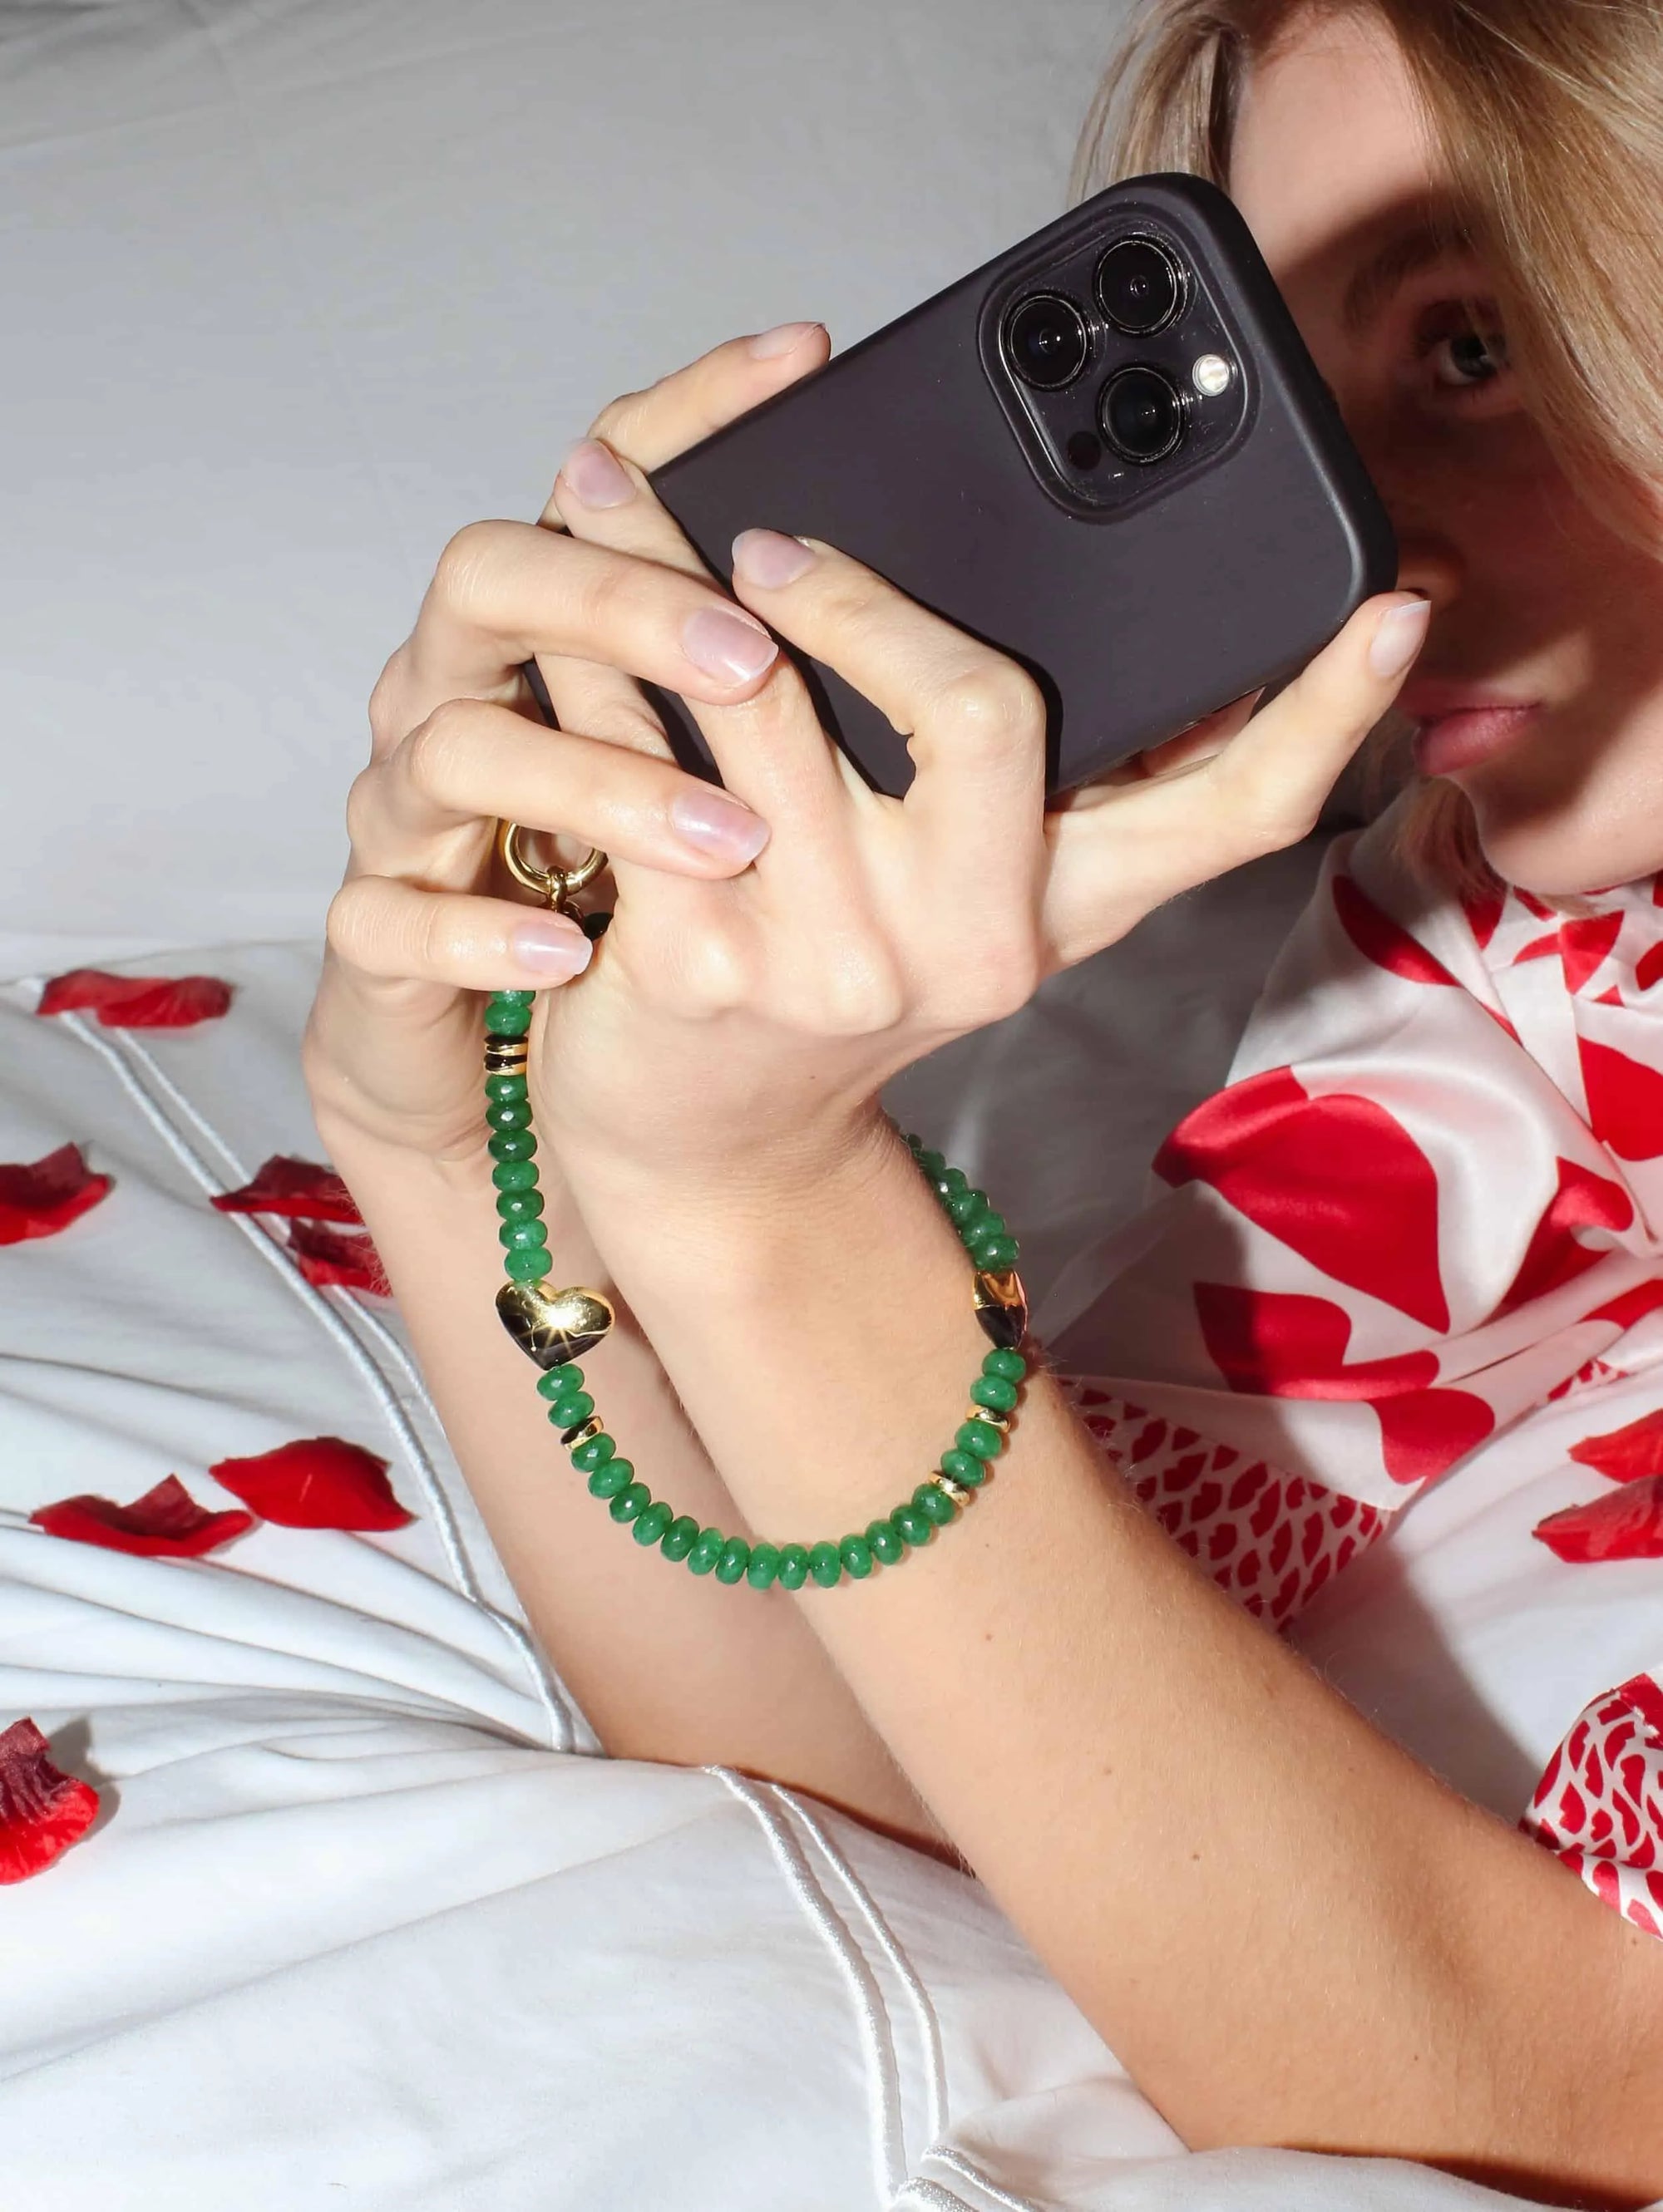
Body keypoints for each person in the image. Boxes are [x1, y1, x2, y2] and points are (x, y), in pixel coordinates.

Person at [300, 0, 1663, 2202]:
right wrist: (473, 1140)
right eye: (1305, 389)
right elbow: (955, 1779)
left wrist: (763, 1212)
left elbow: (1576, 2102)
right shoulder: (1495, 954)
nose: (1378, 540)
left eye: (1477, 351)